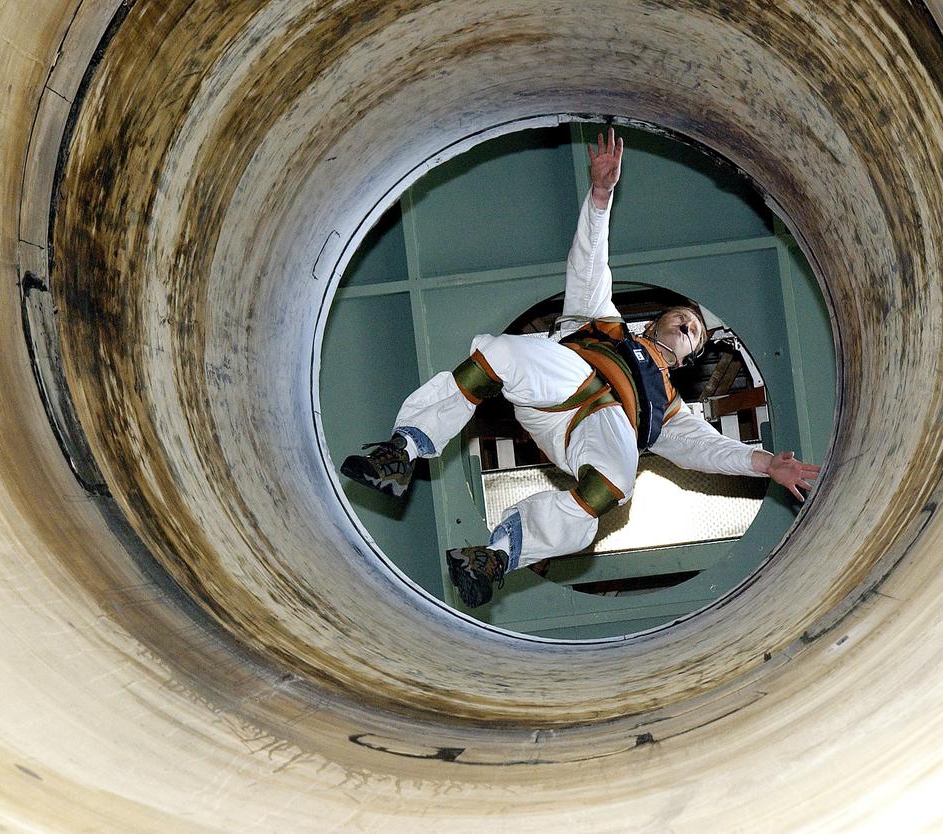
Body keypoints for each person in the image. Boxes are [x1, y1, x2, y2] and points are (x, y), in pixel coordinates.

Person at [343, 127, 820, 607]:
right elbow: (590, 263)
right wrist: (600, 196)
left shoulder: (669, 411)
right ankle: (401, 453)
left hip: (592, 433)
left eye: (694, 331)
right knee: (501, 353)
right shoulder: (601, 321)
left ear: (689, 356)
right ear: (657, 320)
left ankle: (495, 557)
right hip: (560, 380)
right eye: (682, 318)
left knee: (618, 479)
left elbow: (713, 453)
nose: (686, 327)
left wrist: (765, 466)